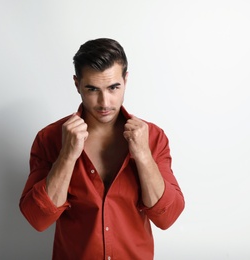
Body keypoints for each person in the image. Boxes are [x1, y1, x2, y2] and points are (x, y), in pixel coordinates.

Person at [19, 38, 185, 260]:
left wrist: (144, 156)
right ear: (77, 84)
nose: (104, 102)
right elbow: (38, 219)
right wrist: (67, 157)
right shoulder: (49, 138)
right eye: (92, 89)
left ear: (126, 80)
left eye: (113, 87)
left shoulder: (153, 137)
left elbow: (168, 217)